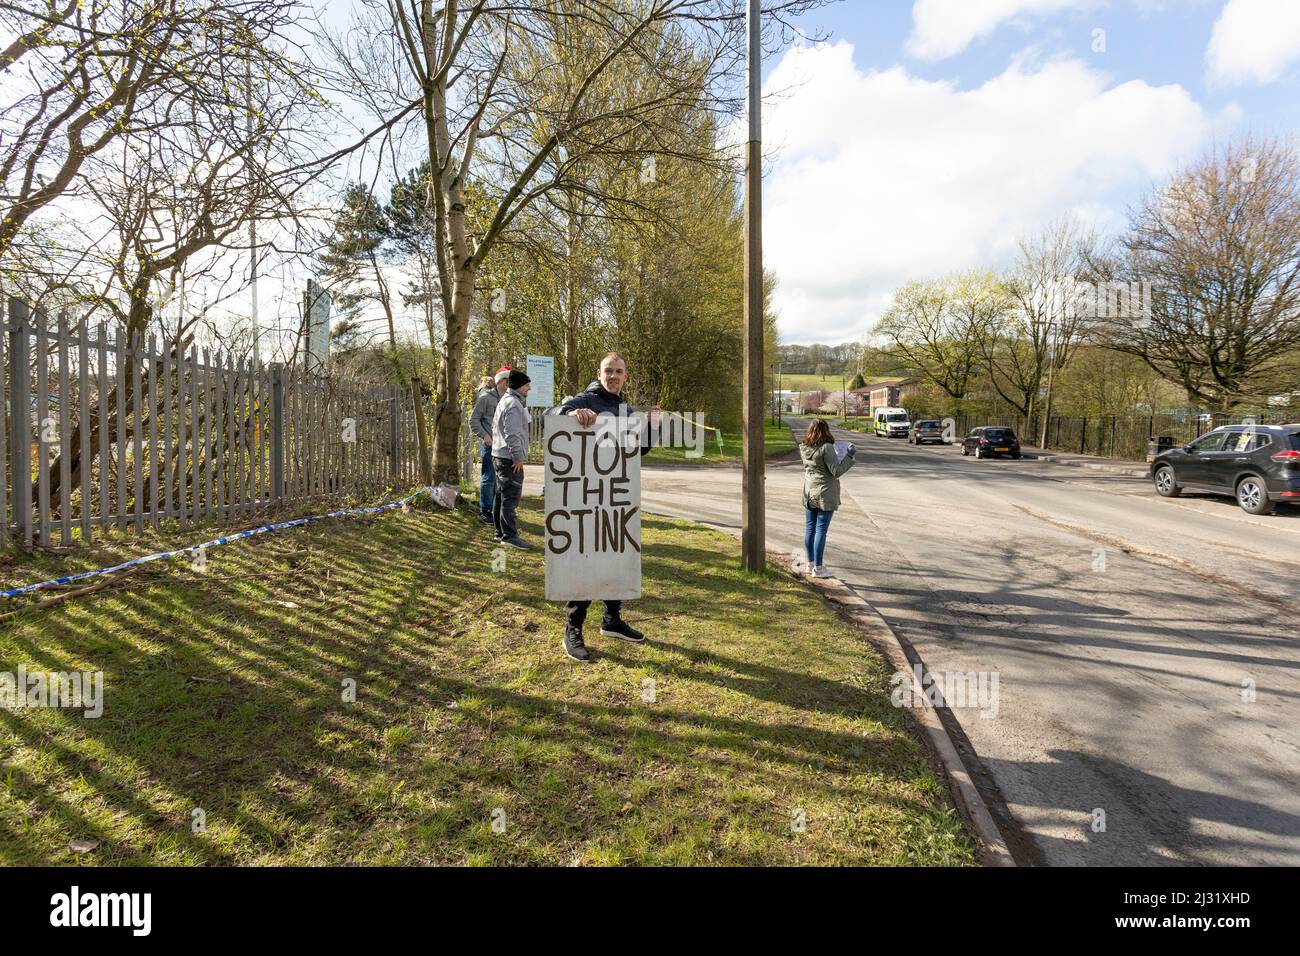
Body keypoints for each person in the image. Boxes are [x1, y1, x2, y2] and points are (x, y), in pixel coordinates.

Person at [556, 352, 659, 662]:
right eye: (608, 371)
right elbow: (552, 415)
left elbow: (637, 450)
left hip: (617, 494)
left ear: (626, 376)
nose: (614, 376)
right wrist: (570, 416)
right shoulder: (585, 398)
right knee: (587, 559)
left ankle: (612, 620)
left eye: (619, 371)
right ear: (599, 373)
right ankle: (572, 628)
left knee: (616, 556)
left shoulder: (624, 409)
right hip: (587, 495)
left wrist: (652, 426)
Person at [798, 419, 855, 578]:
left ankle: (809, 564)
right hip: (824, 493)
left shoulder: (804, 447)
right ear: (826, 430)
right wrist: (849, 456)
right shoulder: (827, 448)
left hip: (809, 491)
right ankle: (819, 568)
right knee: (820, 531)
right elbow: (836, 471)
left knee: (810, 529)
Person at [491, 369, 533, 550]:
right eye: (526, 385)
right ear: (518, 386)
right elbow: (512, 433)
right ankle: (509, 535)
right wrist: (517, 457)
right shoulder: (514, 404)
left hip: (499, 454)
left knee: (501, 495)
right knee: (510, 497)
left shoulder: (506, 400)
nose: (529, 388)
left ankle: (500, 532)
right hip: (509, 458)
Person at [470, 368, 511, 524]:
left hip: (504, 446)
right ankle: (485, 510)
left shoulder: (509, 399)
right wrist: (485, 436)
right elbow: (473, 420)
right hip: (489, 445)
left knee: (500, 479)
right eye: (506, 381)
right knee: (489, 478)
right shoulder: (486, 398)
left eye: (510, 382)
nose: (508, 385)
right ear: (499, 381)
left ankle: (496, 508)